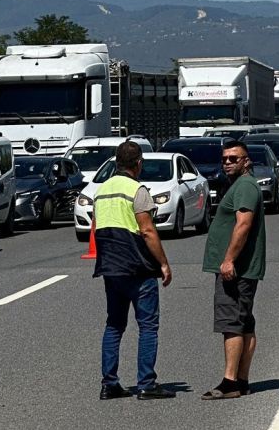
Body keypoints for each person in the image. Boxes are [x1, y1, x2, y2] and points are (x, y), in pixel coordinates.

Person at [93, 142, 175, 400]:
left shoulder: (101, 190)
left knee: (114, 325)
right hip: (138, 267)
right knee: (148, 325)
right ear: (138, 163)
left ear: (116, 162)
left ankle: (109, 383)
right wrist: (163, 263)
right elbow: (147, 230)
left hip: (111, 268)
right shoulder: (137, 190)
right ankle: (146, 384)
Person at [201, 140, 267, 400]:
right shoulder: (241, 186)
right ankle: (241, 380)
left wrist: (228, 260)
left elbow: (243, 224)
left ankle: (230, 381)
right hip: (241, 269)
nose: (228, 162)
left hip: (238, 270)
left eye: (234, 158)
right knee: (244, 323)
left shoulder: (246, 187)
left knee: (231, 323)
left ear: (246, 161)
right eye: (225, 158)